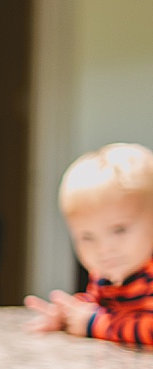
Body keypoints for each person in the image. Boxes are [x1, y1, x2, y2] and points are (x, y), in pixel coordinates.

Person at [25, 141, 153, 347]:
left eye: (119, 230)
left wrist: (93, 323)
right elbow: (99, 305)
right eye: (87, 237)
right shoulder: (107, 273)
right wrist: (68, 314)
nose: (103, 249)